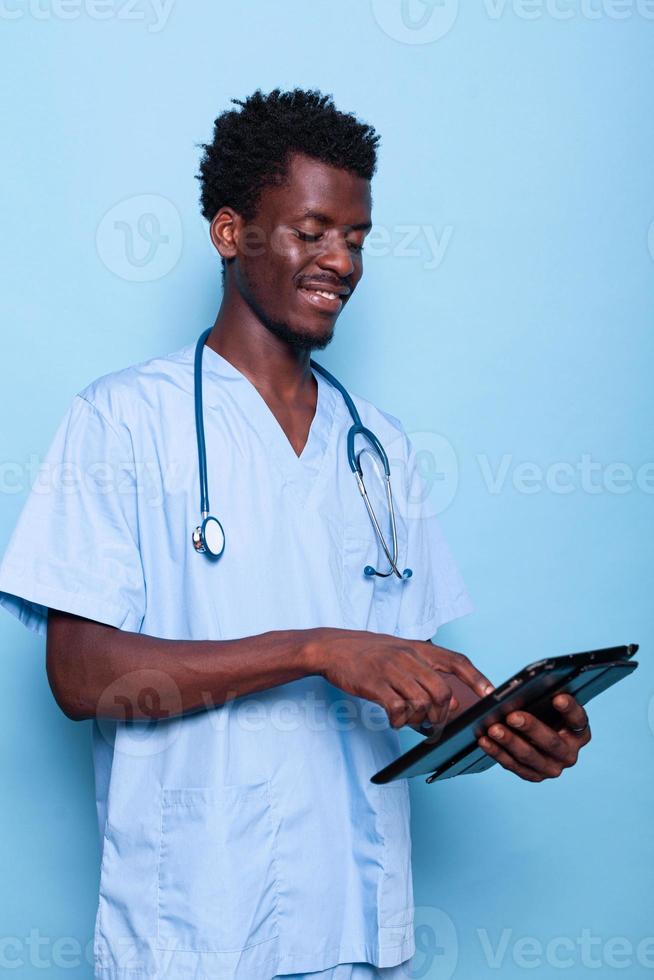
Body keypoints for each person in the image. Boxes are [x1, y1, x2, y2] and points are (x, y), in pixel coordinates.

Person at [0, 87, 591, 980]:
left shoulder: (379, 446)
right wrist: (316, 648)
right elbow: (80, 677)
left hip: (353, 922)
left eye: (355, 239)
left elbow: (403, 673)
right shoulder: (122, 419)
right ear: (229, 232)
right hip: (190, 928)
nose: (341, 261)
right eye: (311, 231)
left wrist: (498, 727)